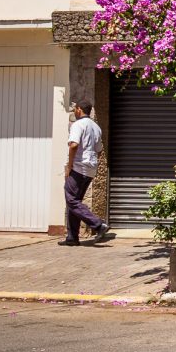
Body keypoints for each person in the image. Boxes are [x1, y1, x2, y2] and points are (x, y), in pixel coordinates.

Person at [62, 100, 109, 245]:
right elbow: (99, 149)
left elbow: (74, 145)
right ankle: (72, 237)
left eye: (75, 109)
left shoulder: (78, 125)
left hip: (78, 167)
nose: (74, 111)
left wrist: (69, 166)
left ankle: (98, 224)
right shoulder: (96, 127)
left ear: (79, 109)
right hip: (90, 169)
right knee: (75, 202)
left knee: (71, 199)